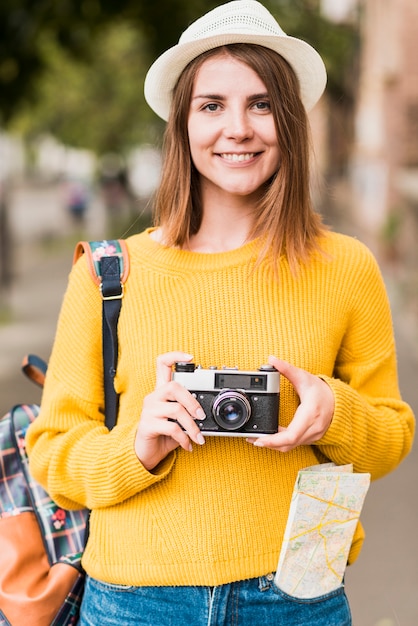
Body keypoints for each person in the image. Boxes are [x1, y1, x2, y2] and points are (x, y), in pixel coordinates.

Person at [26, 1, 415, 625]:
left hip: (297, 596)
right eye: (211, 106)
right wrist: (140, 444)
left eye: (261, 104)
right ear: (182, 125)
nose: (238, 128)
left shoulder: (346, 267)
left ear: (290, 122)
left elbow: (392, 435)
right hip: (134, 601)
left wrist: (333, 412)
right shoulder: (108, 274)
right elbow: (52, 456)